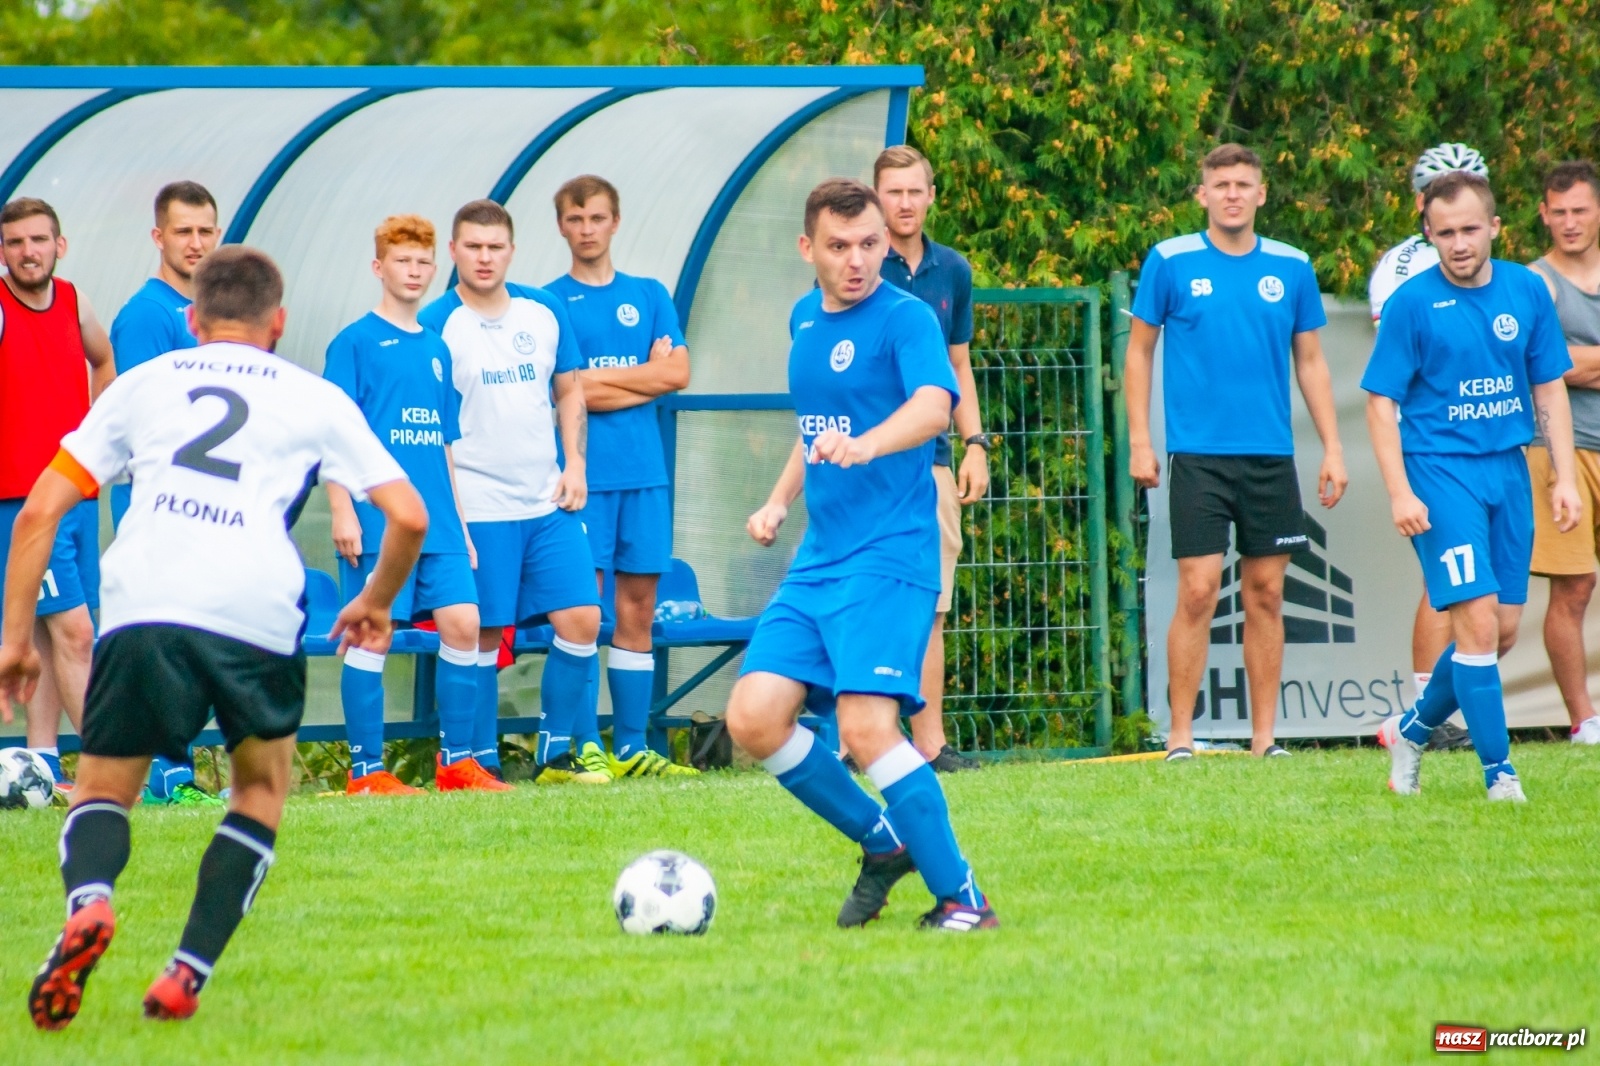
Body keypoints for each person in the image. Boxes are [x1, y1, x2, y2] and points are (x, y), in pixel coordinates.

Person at [1, 245, 427, 1028]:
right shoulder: (315, 396)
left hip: (146, 602)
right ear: (279, 323)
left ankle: (90, 903)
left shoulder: (142, 385)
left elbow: (37, 512)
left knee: (101, 790)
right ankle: (185, 973)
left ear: (193, 320)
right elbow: (409, 515)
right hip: (254, 609)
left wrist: (14, 641)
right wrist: (374, 600)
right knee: (260, 790)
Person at [730, 177, 995, 931]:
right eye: (840, 246)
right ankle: (883, 843)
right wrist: (782, 499)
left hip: (891, 551)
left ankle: (964, 900)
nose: (858, 261)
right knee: (753, 718)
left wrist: (872, 443)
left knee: (867, 728)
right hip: (822, 556)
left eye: (871, 244)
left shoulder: (905, 320)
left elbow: (933, 406)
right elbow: (817, 427)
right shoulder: (804, 318)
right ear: (806, 248)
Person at [1124, 144, 1347, 760]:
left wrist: (1333, 447)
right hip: (1197, 456)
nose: (1231, 193)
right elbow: (1139, 352)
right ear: (1201, 194)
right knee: (1197, 590)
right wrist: (1142, 440)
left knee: (1267, 594)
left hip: (1270, 457)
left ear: (1261, 193)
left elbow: (1311, 361)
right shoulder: (1169, 260)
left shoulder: (1292, 266)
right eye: (1219, 184)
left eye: (1242, 184)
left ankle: (1265, 739)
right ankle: (1179, 737)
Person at [1366, 171, 1579, 802]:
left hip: (1508, 471)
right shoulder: (1411, 304)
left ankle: (1410, 729)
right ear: (1428, 233)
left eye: (1469, 229)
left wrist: (1563, 476)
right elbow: (1381, 405)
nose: (1458, 244)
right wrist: (1401, 492)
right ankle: (1500, 774)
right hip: (1439, 471)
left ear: (1494, 227)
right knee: (1478, 627)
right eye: (1445, 232)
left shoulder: (1526, 290)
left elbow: (1549, 388)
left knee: (1503, 629)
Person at [419, 200, 609, 785]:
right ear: (453, 252)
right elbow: (429, 426)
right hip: (478, 505)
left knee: (581, 617)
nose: (484, 257)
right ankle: (477, 762)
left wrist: (574, 463)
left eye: (494, 247)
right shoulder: (435, 323)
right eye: (472, 247)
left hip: (546, 500)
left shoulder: (543, 310)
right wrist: (448, 513)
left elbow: (570, 391)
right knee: (482, 634)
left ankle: (555, 755)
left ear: (512, 251)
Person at [326, 215, 498, 793]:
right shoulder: (352, 342)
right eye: (403, 261)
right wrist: (343, 509)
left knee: (465, 624)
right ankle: (366, 772)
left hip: (441, 523)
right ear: (379, 267)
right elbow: (332, 433)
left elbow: (444, 446)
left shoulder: (438, 348)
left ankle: (457, 764)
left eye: (423, 262)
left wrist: (464, 526)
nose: (414, 271)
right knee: (374, 632)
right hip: (378, 519)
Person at [545, 175, 697, 777]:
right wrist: (643, 374)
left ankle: (632, 746)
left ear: (615, 222)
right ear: (561, 226)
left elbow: (679, 374)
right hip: (583, 481)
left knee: (637, 608)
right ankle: (584, 746)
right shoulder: (548, 301)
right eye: (576, 220)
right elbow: (564, 392)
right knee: (585, 613)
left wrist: (596, 384)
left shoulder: (650, 294)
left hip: (644, 477)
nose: (587, 230)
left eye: (598, 219)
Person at [109, 180, 226, 806]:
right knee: (163, 641)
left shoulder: (214, 314)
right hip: (160, 510)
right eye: (184, 231)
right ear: (159, 237)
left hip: (209, 510)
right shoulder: (146, 316)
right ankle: (164, 775)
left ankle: (175, 768)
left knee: (195, 641)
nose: (196, 243)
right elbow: (140, 423)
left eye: (206, 231)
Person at [874, 145, 987, 774]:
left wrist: (976, 445)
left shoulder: (953, 269)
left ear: (931, 195)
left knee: (931, 604)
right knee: (862, 599)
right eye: (893, 192)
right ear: (876, 198)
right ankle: (854, 741)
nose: (905, 203)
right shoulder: (857, 264)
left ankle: (929, 744)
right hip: (866, 463)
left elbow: (959, 366)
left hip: (933, 462)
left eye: (915, 191)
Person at [1369, 143, 1491, 724]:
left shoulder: (1486, 264)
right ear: (1422, 204)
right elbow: (1407, 367)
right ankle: (1428, 713)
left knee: (1471, 588)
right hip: (1428, 439)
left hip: (1479, 439)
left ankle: (1435, 710)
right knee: (1446, 579)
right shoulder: (1402, 268)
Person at [0, 197, 114, 790]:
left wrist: (98, 437)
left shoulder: (74, 302)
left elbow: (104, 361)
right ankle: (105, 775)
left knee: (53, 635)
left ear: (59, 245)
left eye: (38, 240)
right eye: (15, 242)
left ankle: (41, 760)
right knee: (75, 633)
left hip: (77, 498)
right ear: (2, 252)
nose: (28, 252)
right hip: (21, 507)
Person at [1524, 161, 1600, 745]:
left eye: (1580, 209)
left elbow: (1567, 361)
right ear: (1543, 214)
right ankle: (1584, 721)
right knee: (1572, 588)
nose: (1570, 222)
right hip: (1561, 452)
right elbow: (1539, 364)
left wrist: (1577, 359)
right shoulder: (1535, 282)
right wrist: (1571, 363)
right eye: (1559, 211)